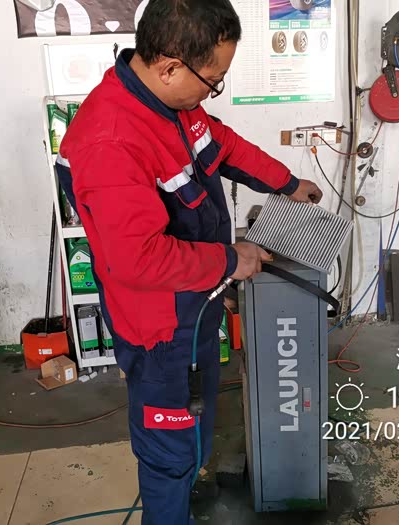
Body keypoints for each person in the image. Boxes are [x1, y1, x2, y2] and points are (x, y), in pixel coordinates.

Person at [56, 1, 323, 523]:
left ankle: (185, 489)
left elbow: (222, 145)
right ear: (170, 66)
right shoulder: (111, 141)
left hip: (196, 305)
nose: (212, 91)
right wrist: (229, 259)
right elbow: (137, 259)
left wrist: (287, 183)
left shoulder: (171, 105)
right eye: (213, 81)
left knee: (196, 424)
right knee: (169, 454)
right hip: (159, 330)